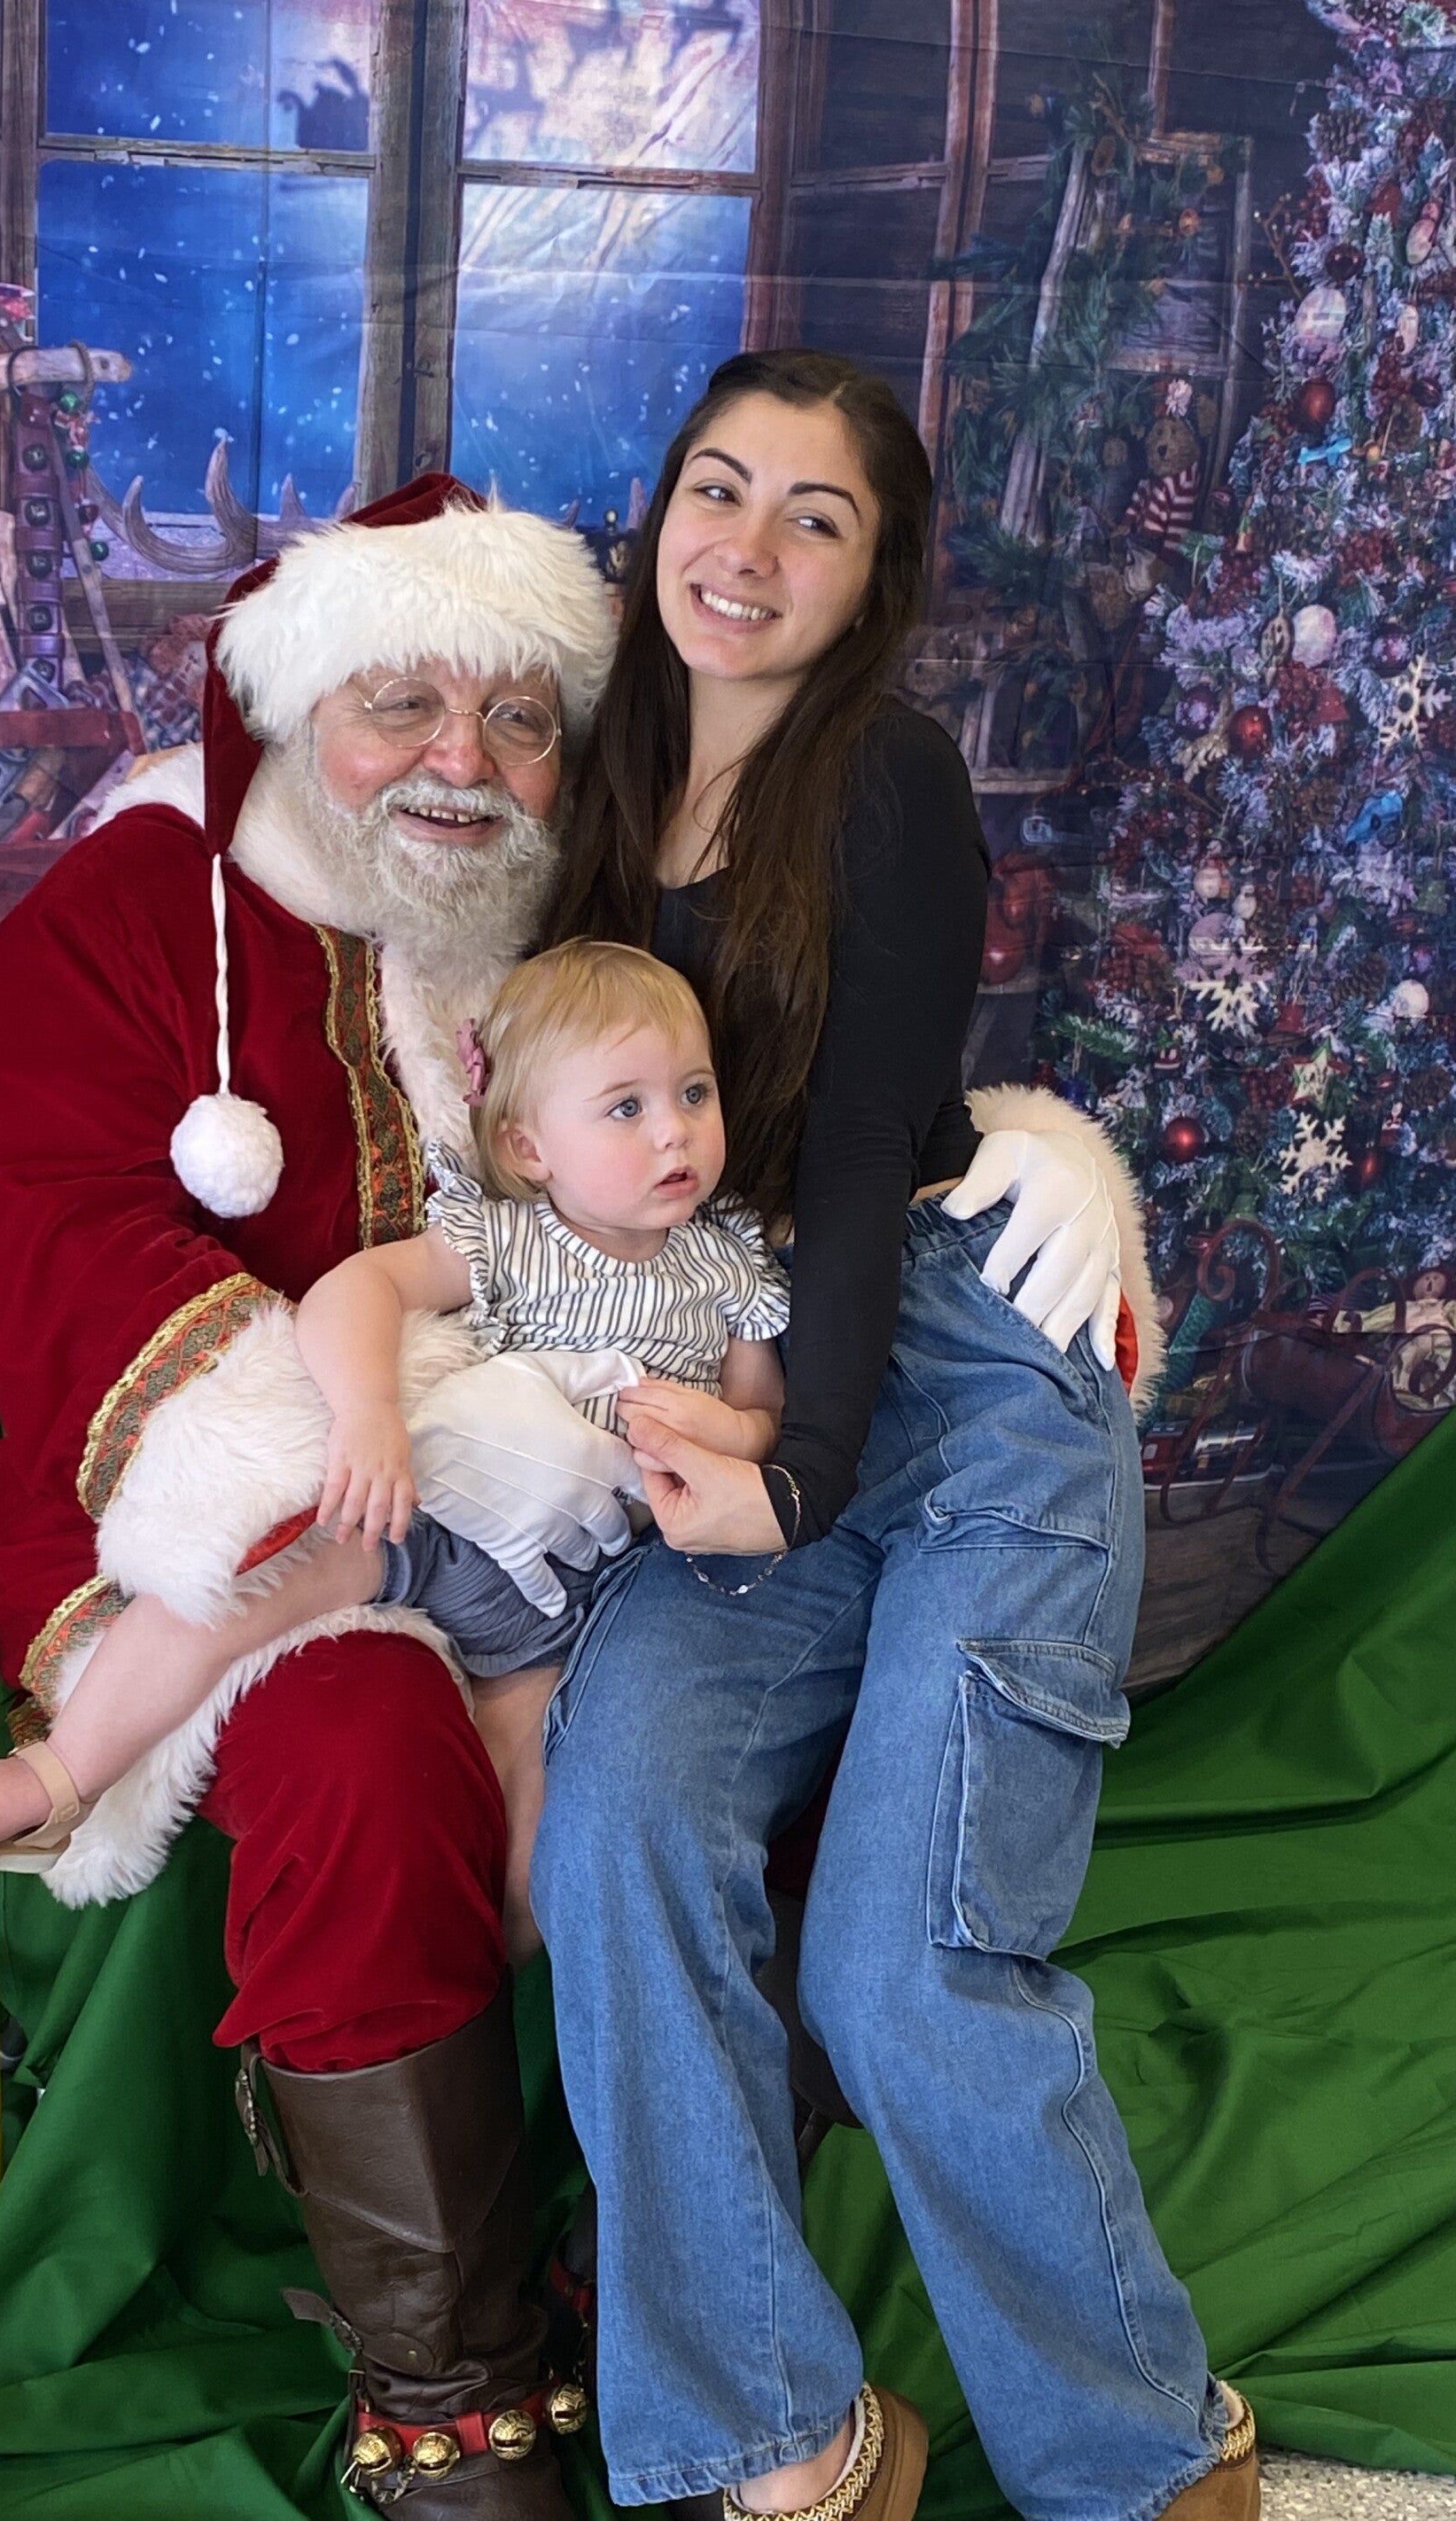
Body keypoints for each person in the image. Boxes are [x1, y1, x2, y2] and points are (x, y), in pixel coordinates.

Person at [0, 464, 1148, 2521]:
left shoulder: (591, 913)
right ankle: (453, 2397)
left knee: (764, 1719)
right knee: (366, 1747)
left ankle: (649, 2290)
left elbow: (804, 1134)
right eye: (401, 703)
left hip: (606, 1497)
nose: (461, 761)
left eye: (515, 714)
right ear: (300, 706)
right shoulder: (133, 921)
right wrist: (427, 1443)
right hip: (266, 1502)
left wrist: (1022, 1164)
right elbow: (65, 1255)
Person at [531, 349, 1258, 2521]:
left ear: (877, 580)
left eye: (816, 517)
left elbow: (860, 1153)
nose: (747, 548)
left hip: (946, 1394)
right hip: (762, 1374)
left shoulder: (887, 776)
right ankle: (785, 2435)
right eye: (719, 488)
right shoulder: (595, 773)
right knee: (616, 1820)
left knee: (894, 1959)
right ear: (660, 511)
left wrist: (802, 1478)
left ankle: (1149, 2461)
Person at [0, 939, 790, 1970]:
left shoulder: (729, 1263)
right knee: (226, 1597)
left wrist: (721, 1432)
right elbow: (356, 1289)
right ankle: (54, 1782)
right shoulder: (511, 1237)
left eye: (693, 1092)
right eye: (626, 1107)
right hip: (441, 1522)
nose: (675, 1130)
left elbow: (763, 1413)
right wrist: (369, 1415)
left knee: (535, 1850)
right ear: (532, 1147)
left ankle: (477, 2005)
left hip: (579, 1595)